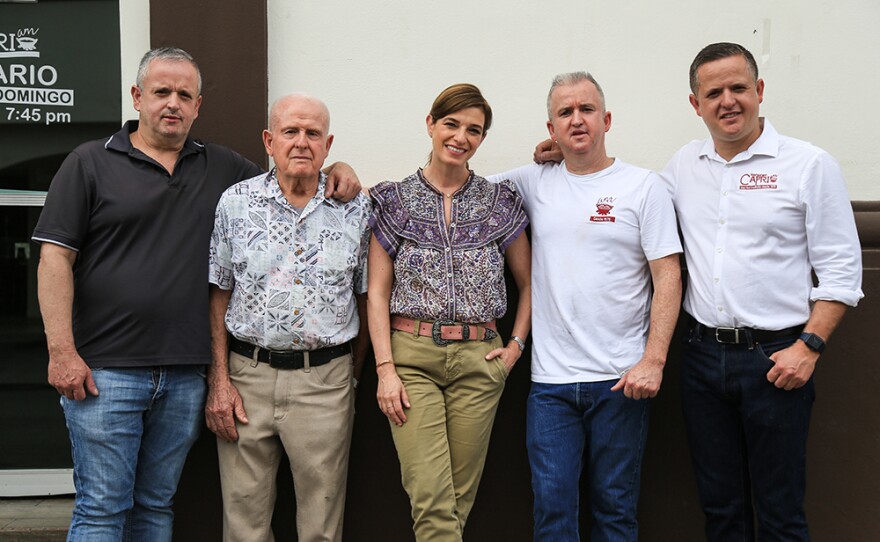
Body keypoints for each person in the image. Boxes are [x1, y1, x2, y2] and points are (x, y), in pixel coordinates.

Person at [32, 48, 357, 541]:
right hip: (106, 370)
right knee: (102, 508)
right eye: (161, 92)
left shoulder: (224, 170)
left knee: (156, 507)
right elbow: (55, 258)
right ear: (137, 97)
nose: (172, 104)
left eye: (184, 95)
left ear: (198, 106)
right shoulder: (90, 163)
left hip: (184, 375)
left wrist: (342, 169)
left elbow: (294, 173)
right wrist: (61, 351)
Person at [659, 43, 863, 541]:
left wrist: (809, 347)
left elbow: (841, 269)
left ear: (759, 92)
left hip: (778, 361)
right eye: (714, 93)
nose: (728, 101)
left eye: (738, 88)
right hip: (703, 359)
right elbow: (628, 202)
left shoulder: (808, 165)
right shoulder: (683, 166)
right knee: (721, 511)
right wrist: (565, 155)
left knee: (780, 514)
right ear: (696, 104)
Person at [497, 72, 682, 541]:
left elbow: (668, 277)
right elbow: (453, 183)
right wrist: (348, 179)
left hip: (622, 381)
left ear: (607, 119)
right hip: (551, 386)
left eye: (586, 110)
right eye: (565, 112)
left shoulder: (644, 186)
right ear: (551, 127)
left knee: (615, 512)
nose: (577, 120)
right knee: (553, 514)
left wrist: (654, 360)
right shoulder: (532, 181)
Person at [368, 83, 531, 541]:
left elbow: (528, 282)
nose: (461, 137)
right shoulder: (392, 201)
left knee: (458, 498)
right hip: (411, 358)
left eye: (474, 130)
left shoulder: (500, 202)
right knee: (431, 497)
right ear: (431, 124)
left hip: (482, 359)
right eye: (452, 124)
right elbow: (377, 294)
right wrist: (385, 370)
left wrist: (515, 346)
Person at [206, 93, 371, 542]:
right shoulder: (234, 203)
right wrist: (219, 380)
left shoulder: (357, 208)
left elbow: (365, 298)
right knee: (244, 523)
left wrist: (348, 377)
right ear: (269, 140)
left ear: (328, 143)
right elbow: (219, 293)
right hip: (247, 378)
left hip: (325, 383)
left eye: (312, 133)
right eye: (290, 131)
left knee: (321, 526)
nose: (301, 142)